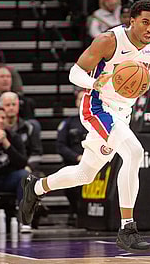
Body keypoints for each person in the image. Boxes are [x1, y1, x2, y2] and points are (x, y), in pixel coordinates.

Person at [18, 0, 150, 253]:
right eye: (145, 22)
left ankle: (36, 187)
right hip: (97, 108)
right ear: (132, 21)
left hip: (122, 112)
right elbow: (74, 72)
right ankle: (127, 229)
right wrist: (93, 83)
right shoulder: (109, 41)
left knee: (85, 174)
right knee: (134, 152)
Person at [56, 89, 88, 223]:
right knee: (68, 175)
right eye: (80, 99)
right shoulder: (68, 123)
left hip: (98, 162)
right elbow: (60, 146)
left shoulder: (99, 121)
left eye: (85, 99)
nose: (82, 102)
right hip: (76, 162)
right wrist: (77, 157)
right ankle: (75, 210)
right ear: (76, 102)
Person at [1, 92, 42, 175]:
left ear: (18, 106)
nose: (11, 108)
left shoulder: (29, 127)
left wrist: (29, 167)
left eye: (14, 104)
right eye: (7, 105)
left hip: (24, 168)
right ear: (1, 106)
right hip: (1, 169)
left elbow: (36, 153)